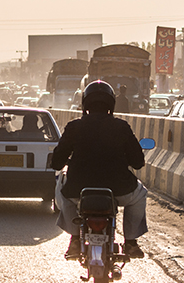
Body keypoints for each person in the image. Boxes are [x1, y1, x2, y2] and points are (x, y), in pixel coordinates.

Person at [52, 80, 147, 260]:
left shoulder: (74, 127)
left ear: (85, 103)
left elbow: (57, 163)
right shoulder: (121, 127)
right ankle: (131, 242)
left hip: (77, 189)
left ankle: (74, 238)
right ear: (111, 104)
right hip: (119, 190)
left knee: (61, 189)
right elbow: (138, 162)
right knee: (140, 195)